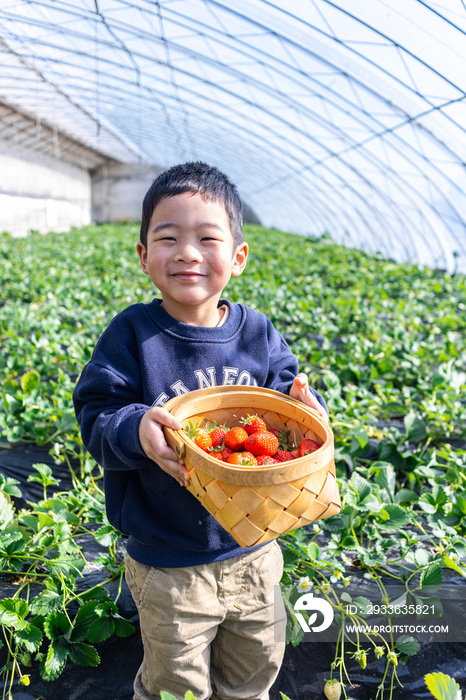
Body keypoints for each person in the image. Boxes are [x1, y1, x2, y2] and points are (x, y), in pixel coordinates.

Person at [73, 162, 329, 700]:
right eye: (168, 239)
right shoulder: (131, 336)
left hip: (255, 549)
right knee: (176, 684)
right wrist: (135, 427)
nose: (187, 253)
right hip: (168, 561)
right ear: (144, 256)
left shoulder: (257, 333)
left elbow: (290, 397)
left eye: (207, 239)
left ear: (237, 257)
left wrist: (307, 406)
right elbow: (96, 414)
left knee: (254, 668)